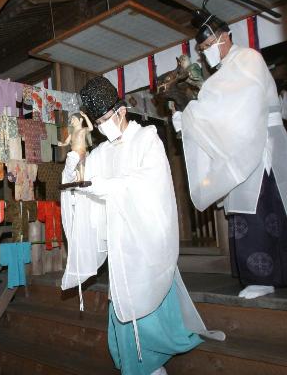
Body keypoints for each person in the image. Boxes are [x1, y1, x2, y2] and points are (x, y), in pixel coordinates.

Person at [60, 77, 223, 375]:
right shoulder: (102, 152)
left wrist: (104, 186)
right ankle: (139, 364)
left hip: (146, 242)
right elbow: (77, 183)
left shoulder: (147, 138)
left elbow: (148, 186)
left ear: (121, 111)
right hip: (120, 246)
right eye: (96, 122)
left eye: (105, 119)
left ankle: (151, 364)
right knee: (126, 303)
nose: (101, 127)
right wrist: (77, 149)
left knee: (149, 298)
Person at [170, 10, 287, 299]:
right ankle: (258, 274)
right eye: (201, 50)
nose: (205, 54)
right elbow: (215, 106)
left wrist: (192, 115)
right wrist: (188, 118)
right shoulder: (224, 72)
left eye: (207, 47)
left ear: (224, 38)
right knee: (245, 213)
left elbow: (235, 105)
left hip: (259, 146)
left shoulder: (248, 59)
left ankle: (266, 276)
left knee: (261, 209)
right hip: (242, 144)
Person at [58, 111, 93, 182]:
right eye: (71, 120)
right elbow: (67, 142)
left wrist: (86, 117)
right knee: (76, 167)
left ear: (80, 120)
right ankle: (78, 178)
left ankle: (82, 178)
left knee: (81, 165)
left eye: (74, 119)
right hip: (74, 153)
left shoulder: (82, 130)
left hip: (81, 152)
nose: (72, 121)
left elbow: (91, 128)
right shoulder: (72, 133)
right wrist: (62, 144)